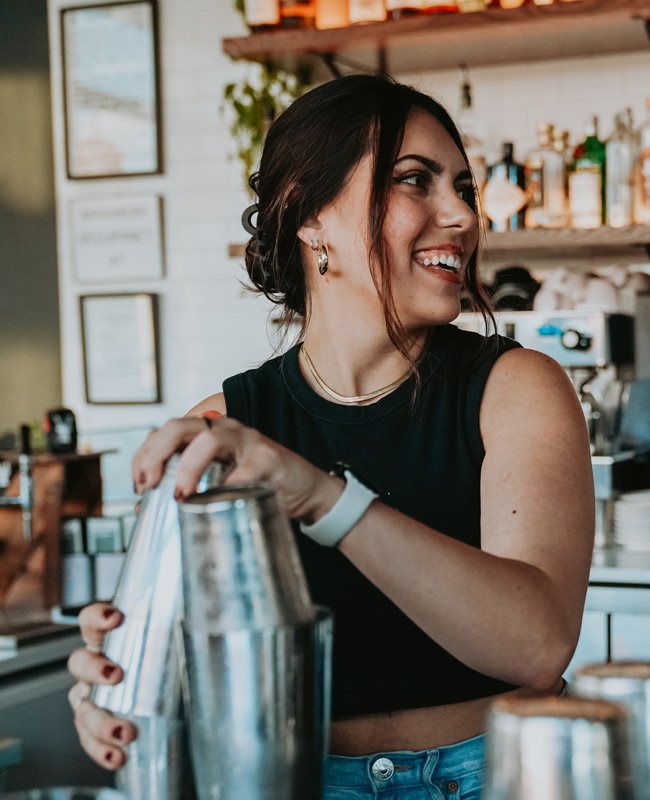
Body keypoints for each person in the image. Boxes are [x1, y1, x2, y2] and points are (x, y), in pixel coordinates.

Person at [66, 74, 594, 799]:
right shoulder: (227, 426)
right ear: (310, 217)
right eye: (417, 182)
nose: (464, 217)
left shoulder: (515, 388)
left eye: (464, 189)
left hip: (491, 775)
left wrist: (322, 498)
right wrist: (109, 688)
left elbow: (537, 645)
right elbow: (169, 663)